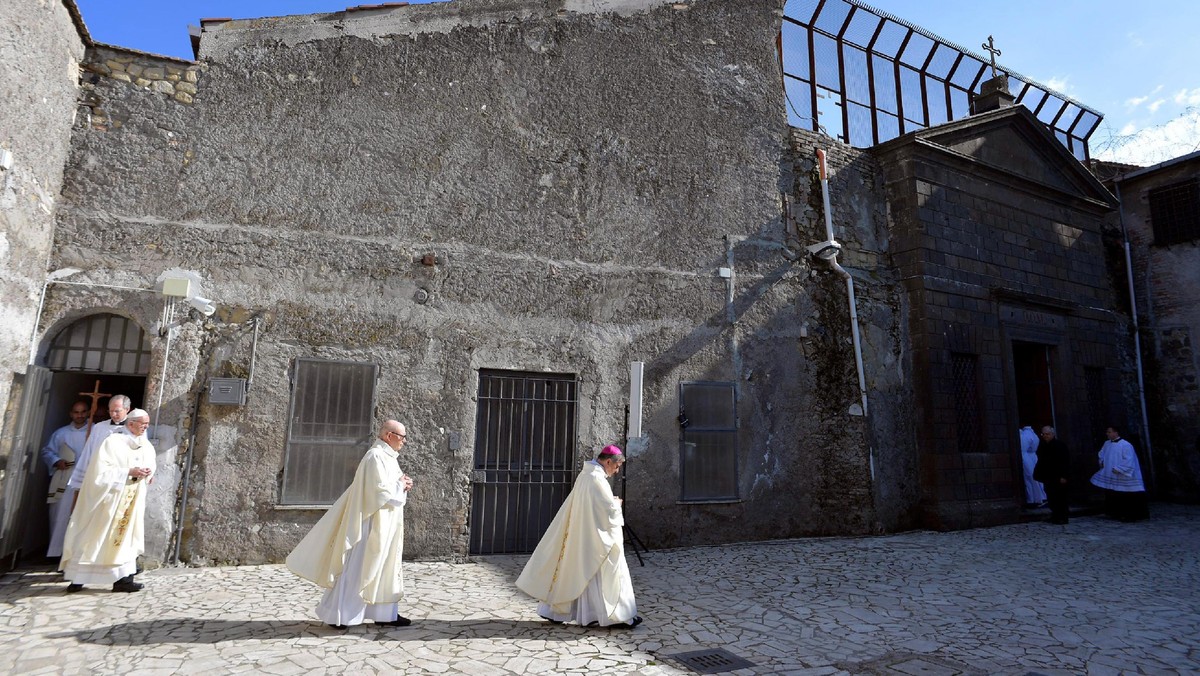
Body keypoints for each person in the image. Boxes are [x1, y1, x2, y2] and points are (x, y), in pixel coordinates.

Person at [287, 420, 414, 629]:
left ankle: (385, 614)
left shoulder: (388, 457)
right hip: (370, 523)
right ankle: (340, 616)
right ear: (389, 435)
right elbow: (377, 492)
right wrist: (400, 485)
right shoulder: (375, 456)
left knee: (384, 567)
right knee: (358, 568)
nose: (404, 441)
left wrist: (403, 484)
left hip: (387, 522)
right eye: (402, 437)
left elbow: (390, 486)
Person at [516, 445, 641, 628]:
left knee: (575, 573)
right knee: (602, 573)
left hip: (584, 533)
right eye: (617, 466)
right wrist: (617, 504)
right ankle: (615, 616)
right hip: (595, 538)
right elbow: (607, 512)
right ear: (608, 461)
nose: (617, 471)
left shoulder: (586, 475)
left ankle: (558, 613)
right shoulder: (596, 479)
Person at [59, 409, 155, 593]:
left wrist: (148, 472)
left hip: (130, 502)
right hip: (108, 501)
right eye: (143, 423)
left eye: (147, 424)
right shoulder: (113, 442)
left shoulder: (145, 444)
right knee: (94, 537)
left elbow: (150, 463)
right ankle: (78, 578)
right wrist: (127, 472)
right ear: (131, 423)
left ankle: (123, 580)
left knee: (125, 541)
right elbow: (99, 471)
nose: (146, 427)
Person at [47, 394, 132, 558]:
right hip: (89, 479)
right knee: (74, 518)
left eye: (118, 411)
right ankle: (67, 554)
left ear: (127, 410)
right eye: (111, 411)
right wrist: (72, 475)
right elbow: (87, 456)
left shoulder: (133, 428)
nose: (114, 414)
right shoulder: (98, 429)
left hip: (120, 483)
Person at [40, 401, 91, 551]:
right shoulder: (61, 433)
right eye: (76, 412)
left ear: (88, 412)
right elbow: (47, 451)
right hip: (65, 477)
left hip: (86, 478)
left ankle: (76, 552)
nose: (80, 415)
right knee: (60, 514)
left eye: (83, 412)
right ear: (71, 414)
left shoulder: (94, 431)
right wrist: (57, 461)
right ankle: (57, 550)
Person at [1090, 425, 1148, 522]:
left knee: (1127, 495)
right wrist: (1102, 462)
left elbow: (1129, 459)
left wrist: (1120, 468)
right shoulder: (1106, 443)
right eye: (1107, 432)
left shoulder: (1126, 445)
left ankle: (1130, 515)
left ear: (1116, 432)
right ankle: (1115, 513)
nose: (1107, 434)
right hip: (1111, 473)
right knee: (1114, 493)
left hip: (1124, 475)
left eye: (1109, 432)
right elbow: (1101, 454)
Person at [1033, 426, 1070, 524]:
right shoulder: (1043, 445)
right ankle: (1055, 515)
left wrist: (1064, 476)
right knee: (1051, 496)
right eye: (1043, 434)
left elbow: (1065, 461)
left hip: (1058, 476)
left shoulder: (1060, 445)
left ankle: (1063, 517)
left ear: (1052, 434)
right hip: (1048, 476)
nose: (1045, 436)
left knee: (1060, 497)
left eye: (1047, 434)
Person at [1018, 424, 1046, 507]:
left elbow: (1024, 447)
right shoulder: (1033, 435)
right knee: (1034, 478)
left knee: (1030, 478)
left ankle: (1033, 499)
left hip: (1026, 456)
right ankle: (1040, 497)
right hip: (1032, 456)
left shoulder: (1024, 435)